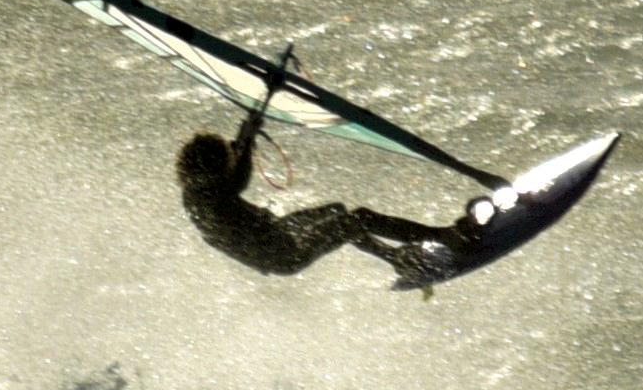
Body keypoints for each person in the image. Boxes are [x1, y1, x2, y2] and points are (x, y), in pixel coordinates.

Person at [178, 78, 475, 280]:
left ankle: (394, 257)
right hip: (285, 252)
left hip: (275, 235)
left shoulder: (194, 192)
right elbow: (238, 177)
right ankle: (443, 238)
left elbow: (233, 166)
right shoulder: (214, 193)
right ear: (215, 169)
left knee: (336, 211)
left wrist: (245, 134)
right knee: (355, 219)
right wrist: (249, 137)